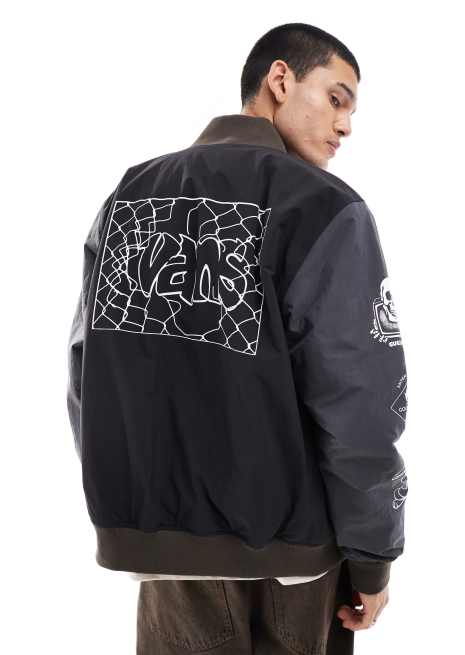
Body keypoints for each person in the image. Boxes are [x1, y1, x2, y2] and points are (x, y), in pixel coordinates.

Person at [66, 22, 409, 654]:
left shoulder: (129, 197)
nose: (345, 126)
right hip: (294, 558)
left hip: (164, 561)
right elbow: (359, 403)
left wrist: (135, 509)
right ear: (280, 80)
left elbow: (86, 374)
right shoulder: (323, 208)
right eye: (336, 99)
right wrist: (373, 556)